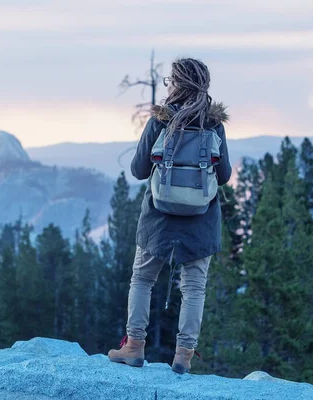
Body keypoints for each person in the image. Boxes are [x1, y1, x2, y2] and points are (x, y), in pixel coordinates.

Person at [107, 57, 232, 374]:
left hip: (158, 219)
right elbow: (225, 175)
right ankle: (184, 356)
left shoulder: (161, 121)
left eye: (170, 81)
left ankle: (134, 347)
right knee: (194, 289)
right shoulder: (213, 125)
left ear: (176, 84)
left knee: (143, 280)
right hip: (201, 221)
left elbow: (138, 170)